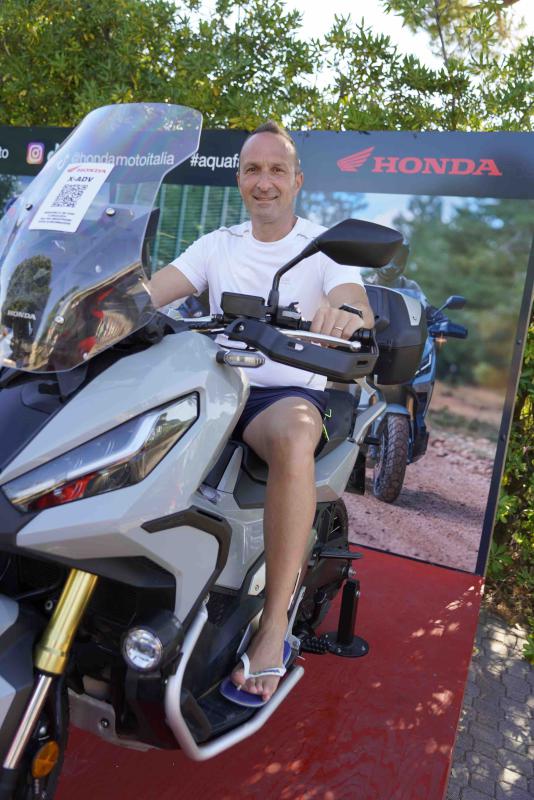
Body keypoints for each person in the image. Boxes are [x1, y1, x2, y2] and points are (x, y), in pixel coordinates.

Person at [149, 121, 373, 704]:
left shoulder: (324, 248)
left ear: (297, 181)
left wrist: (348, 316)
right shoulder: (217, 244)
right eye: (253, 169)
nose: (264, 181)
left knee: (296, 435)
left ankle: (273, 627)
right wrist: (96, 304)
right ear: (240, 179)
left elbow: (353, 299)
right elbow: (151, 294)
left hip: (281, 396)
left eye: (277, 170)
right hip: (211, 386)